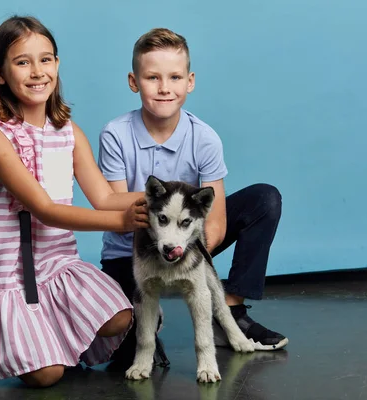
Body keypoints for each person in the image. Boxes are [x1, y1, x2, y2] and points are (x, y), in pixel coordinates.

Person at [0, 15, 150, 388]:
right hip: (3, 272)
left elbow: (105, 197)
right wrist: (121, 223)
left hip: (55, 263)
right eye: (23, 62)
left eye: (46, 59)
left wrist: (166, 196)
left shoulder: (68, 132)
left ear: (57, 64)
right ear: (0, 74)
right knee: (47, 376)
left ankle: (42, 335)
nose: (37, 72)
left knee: (119, 317)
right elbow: (44, 209)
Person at [98, 28, 289, 364]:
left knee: (265, 199)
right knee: (127, 355)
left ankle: (228, 309)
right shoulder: (116, 134)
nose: (164, 87)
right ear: (133, 81)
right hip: (133, 247)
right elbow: (119, 211)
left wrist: (183, 252)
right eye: (152, 77)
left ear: (190, 81)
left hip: (188, 240)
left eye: (174, 77)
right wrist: (161, 242)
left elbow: (214, 223)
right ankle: (146, 324)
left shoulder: (204, 138)